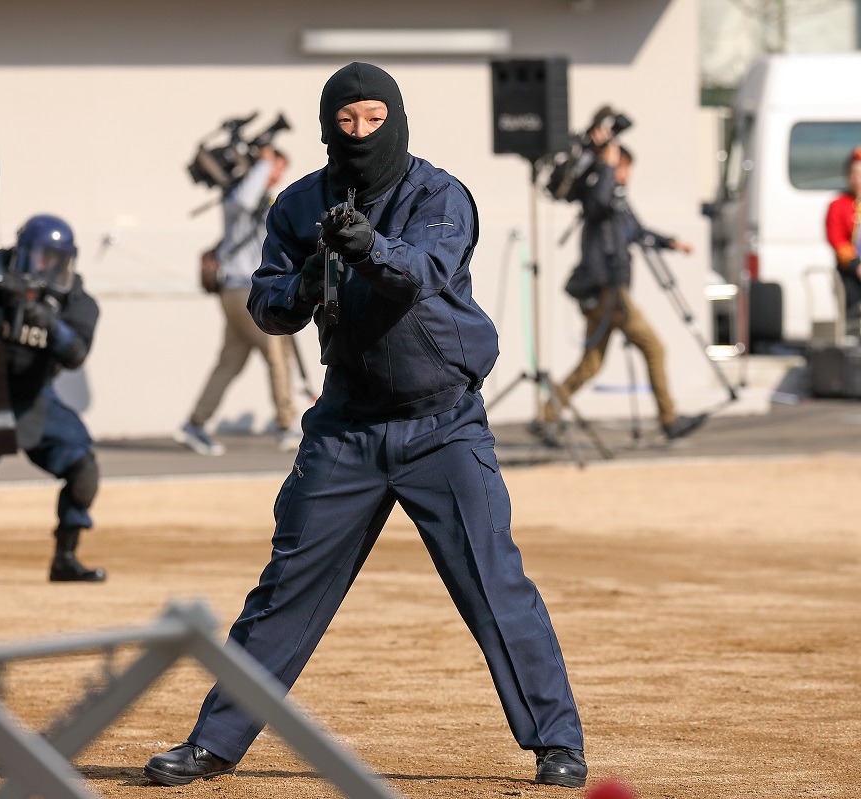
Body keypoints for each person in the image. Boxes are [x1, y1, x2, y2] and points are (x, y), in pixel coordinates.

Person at [144, 62, 587, 789]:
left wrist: (368, 248)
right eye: (345, 122)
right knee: (286, 586)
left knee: (494, 583)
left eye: (373, 121)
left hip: (442, 424)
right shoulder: (295, 204)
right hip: (346, 427)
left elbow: (425, 270)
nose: (359, 134)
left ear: (398, 121)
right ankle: (213, 743)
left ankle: (556, 742)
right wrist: (309, 278)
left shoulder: (439, 193)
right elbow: (265, 303)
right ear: (326, 127)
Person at [0, 214, 104, 587]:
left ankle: (65, 559)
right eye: (36, 255)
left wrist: (45, 319)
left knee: (84, 470)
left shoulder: (77, 300)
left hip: (35, 396)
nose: (42, 265)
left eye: (52, 258)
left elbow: (75, 353)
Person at [537, 124, 705, 445]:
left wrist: (672, 243)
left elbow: (637, 232)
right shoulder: (597, 195)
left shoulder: (616, 201)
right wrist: (606, 164)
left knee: (590, 365)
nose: (626, 174)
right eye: (624, 166)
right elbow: (599, 203)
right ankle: (669, 419)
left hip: (608, 293)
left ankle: (546, 416)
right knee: (655, 348)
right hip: (609, 292)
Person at [175, 146, 301, 456]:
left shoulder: (263, 204)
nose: (276, 174)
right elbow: (245, 199)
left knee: (230, 361)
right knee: (277, 353)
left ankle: (195, 423)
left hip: (238, 292)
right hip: (246, 291)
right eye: (274, 167)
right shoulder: (240, 198)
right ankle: (286, 426)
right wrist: (263, 161)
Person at [824, 145, 861, 320]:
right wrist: (856, 265)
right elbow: (837, 239)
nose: (857, 179)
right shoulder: (839, 205)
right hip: (851, 270)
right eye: (853, 174)